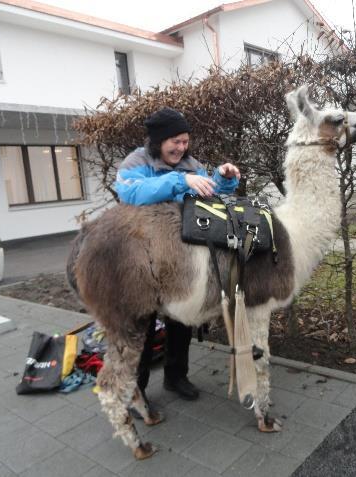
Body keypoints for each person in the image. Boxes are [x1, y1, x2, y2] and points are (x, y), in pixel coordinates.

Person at [114, 107, 241, 403]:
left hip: (178, 257)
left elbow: (208, 195)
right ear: (159, 140)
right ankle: (137, 389)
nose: (182, 148)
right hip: (141, 258)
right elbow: (131, 193)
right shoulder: (136, 162)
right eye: (176, 142)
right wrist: (180, 181)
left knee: (181, 319)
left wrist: (223, 180)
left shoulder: (190, 164)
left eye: (185, 142)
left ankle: (176, 377)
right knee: (140, 322)